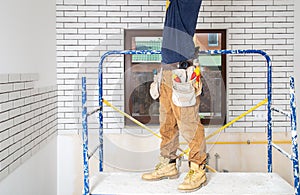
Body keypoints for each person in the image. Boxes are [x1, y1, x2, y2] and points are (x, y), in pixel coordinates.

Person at [142, 0, 207, 192]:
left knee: (189, 124)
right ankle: (168, 164)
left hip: (181, 74)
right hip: (167, 72)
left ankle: (198, 169)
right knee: (167, 123)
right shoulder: (172, 6)